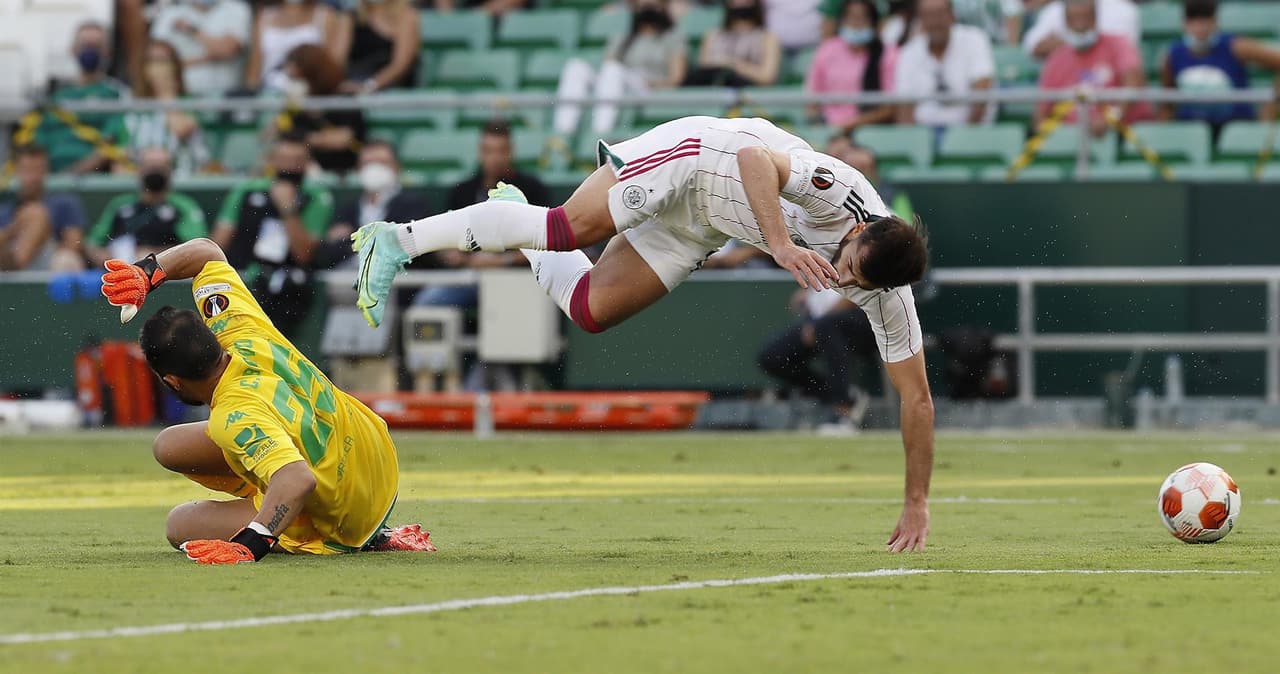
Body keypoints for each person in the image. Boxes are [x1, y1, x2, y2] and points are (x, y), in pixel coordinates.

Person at [353, 115, 935, 552]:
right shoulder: (839, 191)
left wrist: (915, 501)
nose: (842, 274)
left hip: (705, 223)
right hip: (699, 158)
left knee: (591, 308)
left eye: (856, 279)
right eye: (848, 259)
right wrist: (782, 245)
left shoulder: (882, 289)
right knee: (566, 227)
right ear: (860, 227)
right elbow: (754, 159)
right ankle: (399, 239)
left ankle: (513, 217)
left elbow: (917, 400)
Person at [97, 237, 434, 563]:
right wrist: (148, 272)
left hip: (349, 513)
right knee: (169, 446)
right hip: (374, 452)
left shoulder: (234, 416)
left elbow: (298, 479)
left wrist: (253, 540)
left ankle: (367, 535)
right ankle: (270, 485)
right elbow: (207, 252)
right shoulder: (240, 330)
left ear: (171, 381)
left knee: (180, 525)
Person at [212, 134, 334, 337]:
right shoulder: (246, 191)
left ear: (307, 163)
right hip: (242, 281)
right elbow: (217, 244)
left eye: (297, 160)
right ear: (272, 160)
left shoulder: (317, 197)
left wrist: (287, 208)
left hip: (288, 291)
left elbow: (304, 254)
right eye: (284, 159)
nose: (290, 166)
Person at [553, 0, 688, 137]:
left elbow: (676, 78)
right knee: (576, 67)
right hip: (619, 84)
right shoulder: (624, 37)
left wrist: (654, 84)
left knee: (614, 70)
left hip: (646, 87)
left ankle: (600, 133)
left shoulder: (672, 37)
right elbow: (608, 64)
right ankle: (563, 133)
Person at [16, 22, 129, 174]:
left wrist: (71, 175)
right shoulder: (54, 95)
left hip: (91, 177)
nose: (90, 51)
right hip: (48, 176)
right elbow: (37, 141)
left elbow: (110, 143)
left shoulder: (116, 94)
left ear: (107, 52)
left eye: (96, 46)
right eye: (85, 45)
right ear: (73, 50)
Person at [1161, 0, 1280, 132]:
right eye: (1194, 20)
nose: (1200, 28)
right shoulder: (1172, 55)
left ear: (1215, 21)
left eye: (1206, 20)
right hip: (1190, 129)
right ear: (1184, 23)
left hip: (1236, 130)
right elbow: (1168, 103)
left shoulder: (1237, 47)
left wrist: (1267, 115)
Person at [1035, 0, 1149, 135]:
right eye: (1074, 19)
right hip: (1072, 141)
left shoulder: (1119, 44)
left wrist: (1110, 118)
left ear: (1095, 18)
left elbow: (1133, 86)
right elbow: (1041, 112)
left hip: (1121, 135)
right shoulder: (1057, 59)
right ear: (1065, 22)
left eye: (1085, 18)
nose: (1080, 25)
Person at [85, 147, 209, 269]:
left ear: (170, 171)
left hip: (166, 272)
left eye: (160, 167)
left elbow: (196, 247)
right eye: (150, 166)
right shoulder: (120, 204)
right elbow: (93, 244)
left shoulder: (183, 206)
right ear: (139, 170)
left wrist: (152, 257)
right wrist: (113, 259)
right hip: (120, 269)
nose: (155, 171)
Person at [324, 140, 428, 269]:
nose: (375, 169)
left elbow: (404, 244)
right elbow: (328, 252)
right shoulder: (348, 208)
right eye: (368, 164)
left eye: (382, 163)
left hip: (398, 281)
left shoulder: (414, 204)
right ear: (358, 169)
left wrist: (351, 239)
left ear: (396, 167)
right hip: (348, 280)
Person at [894, 0, 996, 128]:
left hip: (969, 133)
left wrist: (966, 137)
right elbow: (904, 106)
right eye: (928, 15)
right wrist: (913, 143)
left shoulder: (975, 39)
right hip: (923, 134)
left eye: (940, 13)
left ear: (952, 15)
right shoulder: (909, 52)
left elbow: (981, 93)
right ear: (920, 19)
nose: (935, 21)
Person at [805, 0, 897, 133]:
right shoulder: (827, 50)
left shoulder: (888, 53)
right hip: (829, 129)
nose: (856, 23)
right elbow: (813, 101)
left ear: (873, 22)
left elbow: (890, 108)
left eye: (862, 18)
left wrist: (854, 124)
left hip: (872, 131)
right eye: (851, 18)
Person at [123, 40, 212, 176]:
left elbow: (181, 129)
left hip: (181, 175)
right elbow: (123, 149)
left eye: (164, 61)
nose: (159, 67)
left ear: (175, 66)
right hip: (139, 176)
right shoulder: (134, 107)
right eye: (152, 61)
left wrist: (165, 92)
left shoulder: (189, 102)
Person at [275, 45, 367, 175]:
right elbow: (282, 136)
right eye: (291, 79)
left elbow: (342, 140)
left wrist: (306, 138)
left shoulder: (343, 98)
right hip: (305, 165)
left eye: (298, 78)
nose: (295, 84)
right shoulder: (295, 104)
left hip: (343, 166)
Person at [0, 146, 87, 271]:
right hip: (7, 258)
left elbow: (74, 243)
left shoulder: (64, 203)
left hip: (48, 260)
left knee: (66, 258)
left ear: (46, 171)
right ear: (17, 171)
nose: (33, 177)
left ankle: (16, 265)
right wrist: (17, 226)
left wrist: (39, 232)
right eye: (27, 170)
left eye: (38, 170)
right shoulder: (6, 209)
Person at [150, 0, 253, 97]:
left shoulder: (237, 9)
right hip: (182, 98)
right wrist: (211, 57)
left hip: (226, 100)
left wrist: (191, 29)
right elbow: (159, 60)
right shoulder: (170, 13)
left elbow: (228, 50)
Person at [245, 0, 348, 92]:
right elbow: (254, 70)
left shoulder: (326, 16)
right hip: (269, 94)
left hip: (311, 97)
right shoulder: (264, 17)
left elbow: (331, 67)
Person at [685, 0, 782, 87]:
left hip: (746, 90)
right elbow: (703, 67)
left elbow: (767, 77)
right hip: (713, 87)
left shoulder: (768, 38)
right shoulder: (713, 35)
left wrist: (733, 64)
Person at [338, 0, 421, 93]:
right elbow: (339, 59)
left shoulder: (407, 16)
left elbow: (400, 65)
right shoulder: (351, 16)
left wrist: (369, 85)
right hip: (352, 82)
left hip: (391, 89)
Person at [1022, 0, 1137, 60]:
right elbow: (1033, 46)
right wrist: (1080, 40)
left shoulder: (1123, 9)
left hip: (1108, 83)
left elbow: (1120, 48)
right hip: (1065, 83)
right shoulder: (1055, 9)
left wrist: (1062, 40)